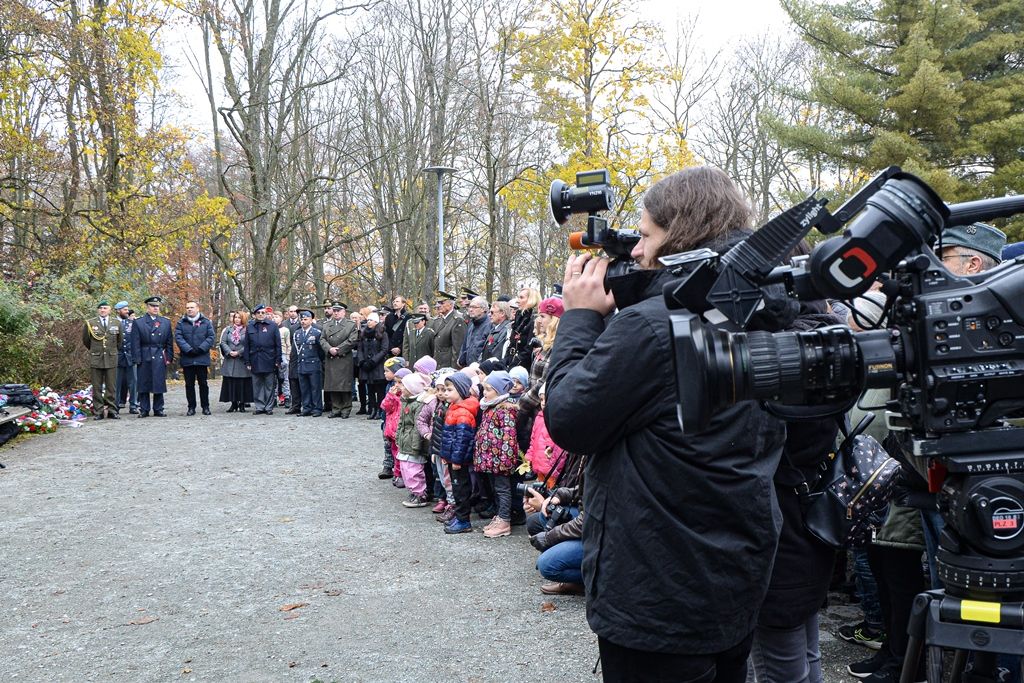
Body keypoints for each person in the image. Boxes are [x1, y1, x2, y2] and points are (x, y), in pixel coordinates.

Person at [544, 166, 787, 681]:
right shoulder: (766, 310)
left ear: (679, 237)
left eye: (648, 235)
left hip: (658, 589)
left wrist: (581, 318)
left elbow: (569, 417)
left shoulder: (653, 328)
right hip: (735, 571)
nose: (634, 251)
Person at [472, 371, 519, 539]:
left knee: (503, 489)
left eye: (489, 389)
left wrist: (505, 461)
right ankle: (500, 515)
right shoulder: (489, 407)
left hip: (500, 461)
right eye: (484, 389)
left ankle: (505, 519)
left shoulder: (505, 410)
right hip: (490, 459)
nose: (485, 393)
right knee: (495, 489)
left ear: (499, 391)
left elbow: (509, 437)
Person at [440, 372, 479, 534]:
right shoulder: (453, 409)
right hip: (452, 458)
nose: (446, 393)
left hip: (459, 461)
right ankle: (459, 516)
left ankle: (464, 520)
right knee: (456, 489)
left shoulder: (463, 412)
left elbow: (463, 440)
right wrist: (445, 456)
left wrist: (456, 460)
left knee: (461, 489)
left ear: (461, 391)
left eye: (449, 390)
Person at [132, 296, 174, 417]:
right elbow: (135, 343)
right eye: (153, 306)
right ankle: (144, 409)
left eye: (157, 306)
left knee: (159, 382)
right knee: (143, 383)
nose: (155, 308)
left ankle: (158, 408)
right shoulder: (139, 322)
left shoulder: (165, 322)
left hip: (159, 354)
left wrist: (169, 357)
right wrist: (137, 359)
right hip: (145, 354)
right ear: (147, 307)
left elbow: (169, 342)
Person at [395, 372, 433, 507]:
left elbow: (418, 427)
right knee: (406, 468)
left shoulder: (418, 404)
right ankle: (413, 491)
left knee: (414, 470)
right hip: (406, 441)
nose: (401, 388)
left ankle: (420, 494)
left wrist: (416, 446)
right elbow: (401, 422)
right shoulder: (405, 402)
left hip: (413, 443)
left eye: (404, 386)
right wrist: (398, 436)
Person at [81, 300, 123, 420]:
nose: (103, 310)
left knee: (111, 387)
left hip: (111, 358)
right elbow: (86, 340)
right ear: (98, 310)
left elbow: (120, 341)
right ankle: (98, 411)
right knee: (97, 386)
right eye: (101, 308)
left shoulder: (116, 323)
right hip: (97, 358)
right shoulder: (90, 323)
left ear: (110, 310)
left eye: (105, 308)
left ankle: (112, 410)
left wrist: (112, 351)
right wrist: (95, 350)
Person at [174, 301, 215, 416]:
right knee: (189, 384)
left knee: (203, 383)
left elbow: (211, 337)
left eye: (192, 307)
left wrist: (201, 348)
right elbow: (178, 337)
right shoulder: (181, 323)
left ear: (197, 308)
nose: (189, 309)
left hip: (202, 357)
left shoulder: (206, 322)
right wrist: (188, 349)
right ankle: (191, 407)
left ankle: (205, 407)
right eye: (187, 308)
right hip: (188, 358)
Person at [320, 302, 359, 418]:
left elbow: (352, 340)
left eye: (338, 311)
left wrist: (338, 350)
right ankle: (336, 408)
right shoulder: (327, 325)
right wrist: (329, 349)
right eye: (334, 310)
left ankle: (346, 408)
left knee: (345, 385)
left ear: (344, 312)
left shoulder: (350, 325)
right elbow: (322, 339)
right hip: (331, 358)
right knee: (333, 385)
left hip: (344, 358)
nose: (336, 313)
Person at [244, 304, 282, 415]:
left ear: (266, 314)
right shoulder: (250, 326)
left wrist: (278, 360)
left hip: (269, 359)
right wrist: (247, 361)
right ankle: (259, 407)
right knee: (257, 385)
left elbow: (278, 344)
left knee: (269, 385)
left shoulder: (273, 326)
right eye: (258, 313)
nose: (260, 315)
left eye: (263, 313)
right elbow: (247, 345)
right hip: (255, 359)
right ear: (255, 314)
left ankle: (269, 407)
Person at [358, 312, 390, 420]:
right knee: (370, 389)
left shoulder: (383, 333)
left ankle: (380, 410)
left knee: (380, 390)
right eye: (367, 320)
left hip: (378, 365)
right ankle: (372, 409)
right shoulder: (363, 333)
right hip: (366, 365)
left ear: (376, 322)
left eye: (371, 320)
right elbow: (360, 349)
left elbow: (384, 349)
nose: (368, 322)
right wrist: (362, 361)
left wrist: (373, 361)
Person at [219, 310, 253, 412]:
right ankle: (233, 403)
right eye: (235, 317)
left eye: (239, 317)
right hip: (230, 359)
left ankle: (242, 403)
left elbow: (249, 344)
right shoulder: (228, 330)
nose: (237, 319)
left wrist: (239, 352)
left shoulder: (248, 330)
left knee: (242, 383)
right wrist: (229, 352)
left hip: (241, 360)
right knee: (231, 382)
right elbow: (223, 342)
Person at [294, 310, 324, 416]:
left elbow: (321, 351)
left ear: (311, 320)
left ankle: (317, 408)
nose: (303, 321)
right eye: (301, 319)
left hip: (314, 363)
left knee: (315, 388)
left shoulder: (316, 333)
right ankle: (306, 407)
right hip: (302, 364)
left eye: (305, 319)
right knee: (304, 388)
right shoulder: (297, 333)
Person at [114, 301, 140, 414]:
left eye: (127, 309)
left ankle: (133, 405)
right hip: (117, 356)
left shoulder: (132, 323)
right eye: (124, 310)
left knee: (133, 382)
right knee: (117, 382)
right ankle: (115, 405)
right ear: (118, 311)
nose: (127, 311)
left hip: (131, 356)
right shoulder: (113, 323)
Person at [506, 287, 541, 370]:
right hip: (512, 362)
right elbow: (512, 344)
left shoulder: (534, 319)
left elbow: (528, 350)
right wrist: (505, 361)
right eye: (518, 297)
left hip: (523, 368)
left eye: (521, 298)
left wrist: (512, 367)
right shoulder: (519, 317)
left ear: (531, 300)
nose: (517, 301)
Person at [431, 291, 467, 369]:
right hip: (439, 364)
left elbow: (457, 349)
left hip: (449, 366)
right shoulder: (440, 320)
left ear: (451, 304)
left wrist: (454, 369)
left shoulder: (457, 320)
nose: (438, 306)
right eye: (438, 303)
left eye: (442, 303)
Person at [458, 296, 493, 367]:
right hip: (468, 367)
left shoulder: (490, 325)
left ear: (483, 309)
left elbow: (488, 351)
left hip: (481, 369)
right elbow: (465, 346)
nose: (470, 309)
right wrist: (461, 360)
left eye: (474, 307)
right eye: (470, 307)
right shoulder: (471, 324)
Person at [284, 305, 303, 414]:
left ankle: (307, 405)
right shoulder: (289, 327)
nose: (293, 313)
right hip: (293, 357)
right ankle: (295, 405)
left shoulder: (315, 328)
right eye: (290, 311)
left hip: (307, 358)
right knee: (293, 381)